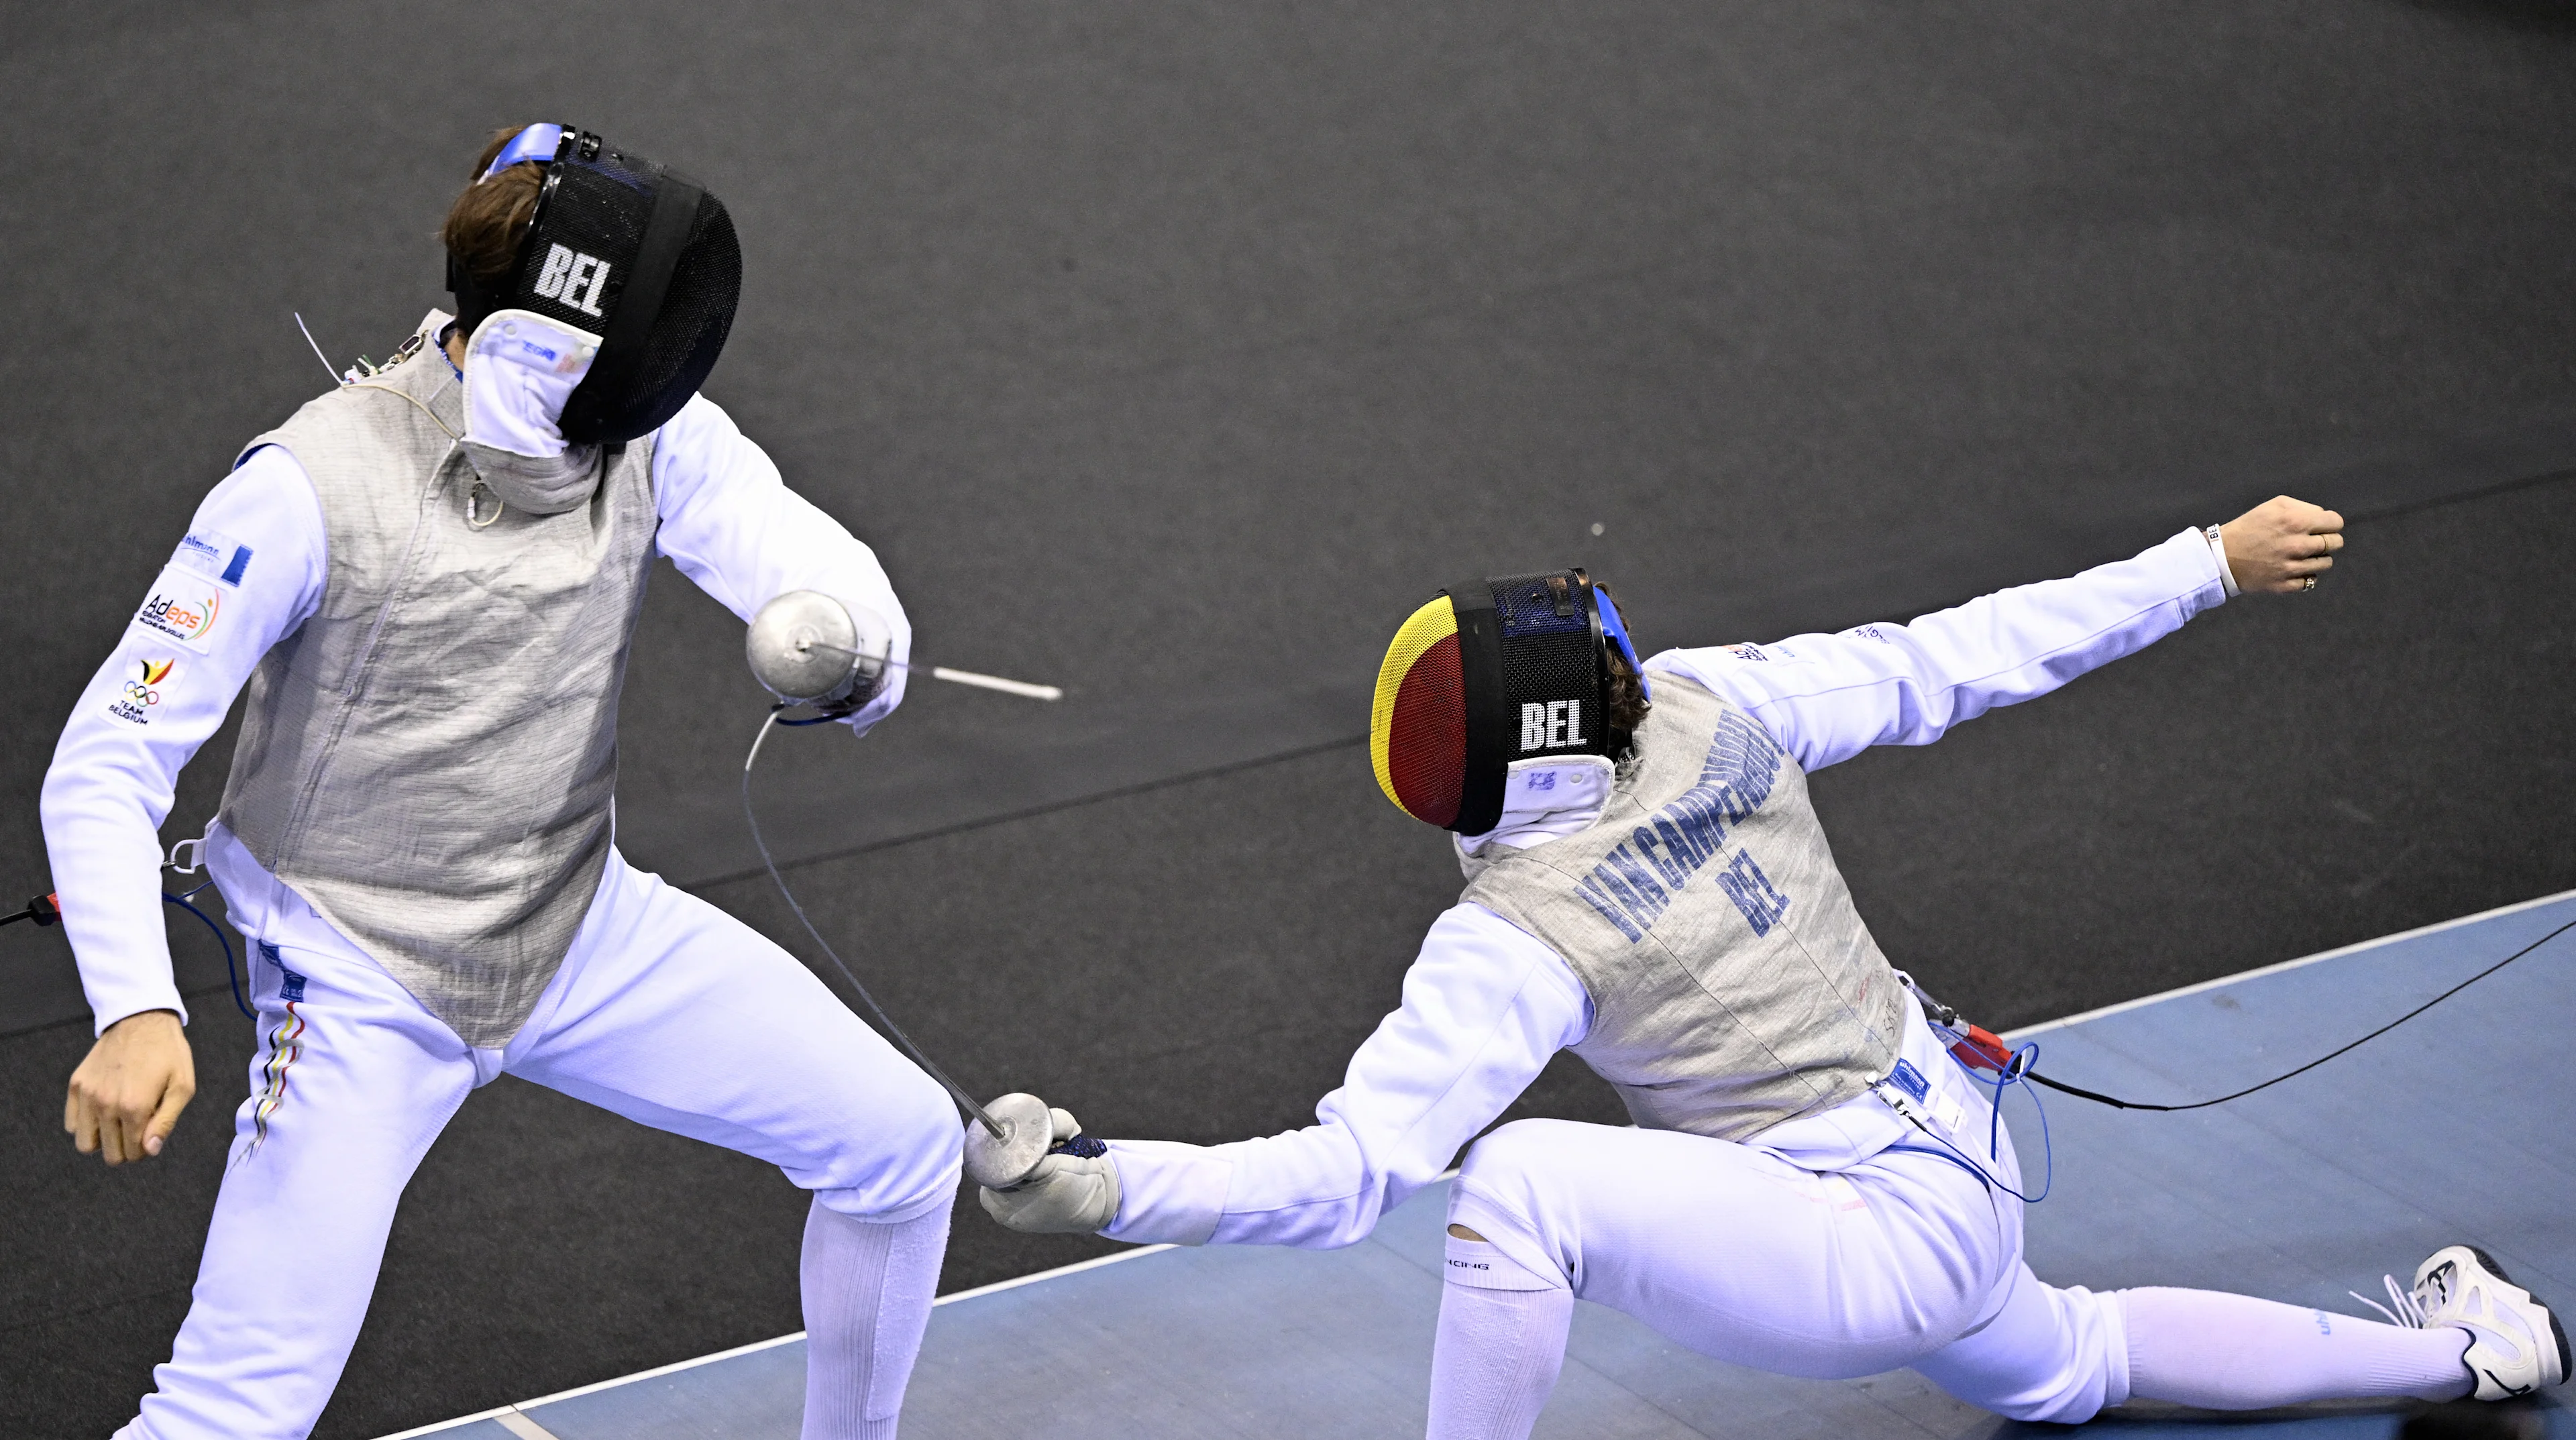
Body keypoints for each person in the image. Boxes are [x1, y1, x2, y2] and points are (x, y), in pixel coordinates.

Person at [977, 500, 2568, 1437]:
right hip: (1955, 1155)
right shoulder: (1709, 698)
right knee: (2063, 1357)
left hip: (1860, 1227)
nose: (1610, 648)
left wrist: (1110, 1191)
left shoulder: (1515, 932)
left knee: (1521, 1176)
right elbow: (1967, 650)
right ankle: (2480, 1353)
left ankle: (2459, 1352)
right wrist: (2203, 559)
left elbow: (1344, 1175)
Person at [46, 125, 960, 1440]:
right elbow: (109, 755)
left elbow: (795, 550)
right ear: (553, 347)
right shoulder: (310, 485)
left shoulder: (642, 428)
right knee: (234, 1406)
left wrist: (856, 642)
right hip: (361, 975)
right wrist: (134, 1003)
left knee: (903, 1145)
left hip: (576, 929)